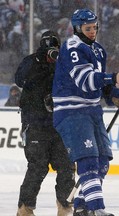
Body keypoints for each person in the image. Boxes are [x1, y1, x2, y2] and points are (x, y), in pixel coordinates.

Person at [52, 9, 119, 216]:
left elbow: (101, 86)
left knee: (102, 162)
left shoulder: (98, 50)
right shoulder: (72, 47)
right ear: (77, 28)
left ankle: (82, 206)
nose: (92, 32)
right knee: (88, 160)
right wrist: (113, 78)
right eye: (88, 28)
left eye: (94, 28)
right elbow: (85, 80)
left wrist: (115, 95)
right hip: (71, 112)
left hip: (92, 111)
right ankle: (97, 209)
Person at [14, 30, 76, 216]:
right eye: (46, 46)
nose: (50, 50)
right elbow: (20, 80)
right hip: (35, 125)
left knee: (66, 166)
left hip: (60, 125)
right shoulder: (31, 61)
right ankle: (24, 209)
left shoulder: (64, 63)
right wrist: (39, 61)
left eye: (54, 46)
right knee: (37, 167)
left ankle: (65, 208)